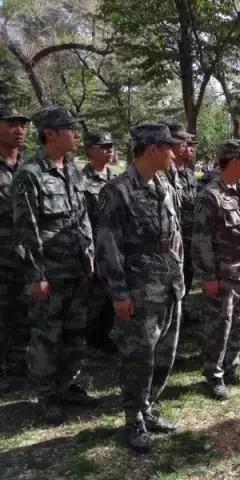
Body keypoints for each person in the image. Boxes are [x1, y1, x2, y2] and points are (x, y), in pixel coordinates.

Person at [97, 122, 184, 452]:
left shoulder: (164, 184)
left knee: (165, 353)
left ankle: (148, 408)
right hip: (138, 290)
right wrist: (119, 293)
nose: (174, 153)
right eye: (169, 147)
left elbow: (174, 237)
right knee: (138, 356)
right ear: (153, 149)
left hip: (168, 284)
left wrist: (179, 278)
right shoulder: (118, 191)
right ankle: (133, 418)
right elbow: (107, 246)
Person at [13, 106, 96, 424]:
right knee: (47, 335)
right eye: (69, 129)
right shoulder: (29, 174)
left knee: (75, 332)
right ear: (50, 133)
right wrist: (37, 275)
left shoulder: (73, 170)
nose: (75, 135)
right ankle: (47, 396)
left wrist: (89, 255)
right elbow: (26, 229)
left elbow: (82, 217)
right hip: (50, 272)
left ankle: (68, 385)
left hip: (76, 269)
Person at [192, 139, 240, 399]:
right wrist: (208, 277)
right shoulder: (210, 196)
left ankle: (231, 367)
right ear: (235, 161)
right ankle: (213, 375)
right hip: (222, 275)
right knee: (219, 327)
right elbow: (201, 240)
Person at [0, 104, 30, 393]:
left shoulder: (29, 167)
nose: (19, 129)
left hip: (26, 257)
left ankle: (19, 367)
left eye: (22, 124)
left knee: (23, 314)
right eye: (11, 124)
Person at [81, 131, 118, 354]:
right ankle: (89, 337)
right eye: (103, 146)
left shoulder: (116, 178)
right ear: (89, 149)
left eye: (110, 146)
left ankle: (103, 335)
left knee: (111, 294)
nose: (109, 150)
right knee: (93, 296)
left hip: (114, 246)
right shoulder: (80, 179)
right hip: (93, 244)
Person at [160, 120, 198, 317]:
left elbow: (194, 203)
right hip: (171, 238)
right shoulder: (161, 175)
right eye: (183, 143)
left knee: (187, 274)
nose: (188, 147)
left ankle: (182, 309)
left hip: (189, 236)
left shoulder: (189, 175)